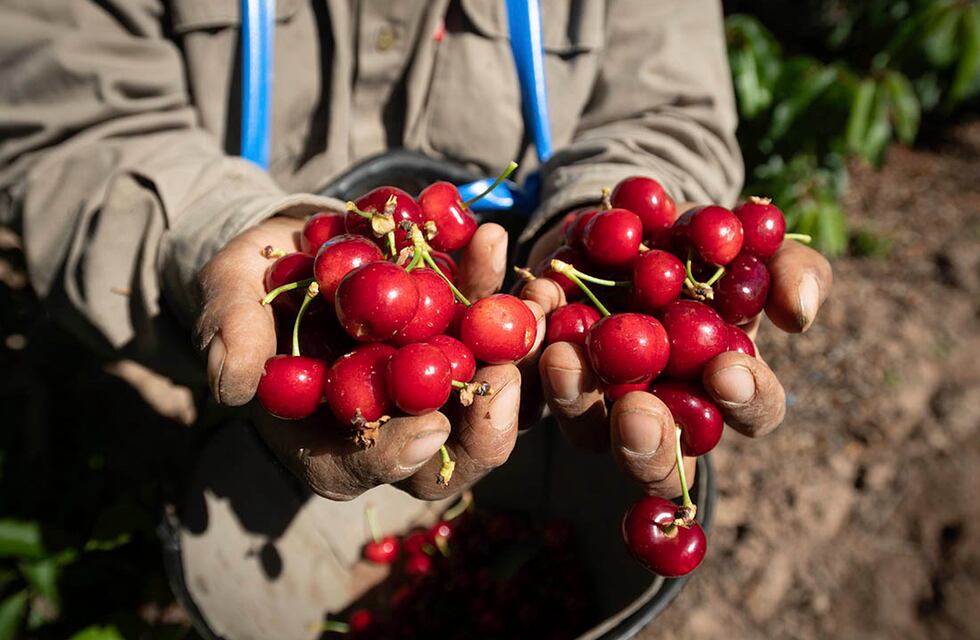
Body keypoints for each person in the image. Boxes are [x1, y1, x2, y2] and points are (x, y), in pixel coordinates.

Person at [0, 1, 832, 638]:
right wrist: (206, 239)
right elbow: (64, 115)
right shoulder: (349, 298)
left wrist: (602, 223)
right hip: (203, 351)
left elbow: (666, 111)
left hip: (533, 328)